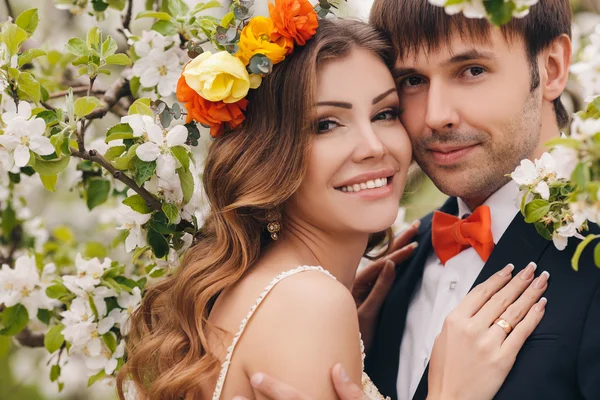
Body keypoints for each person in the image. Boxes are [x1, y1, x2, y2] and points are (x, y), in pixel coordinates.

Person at [116, 9, 548, 400]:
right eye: (326, 124)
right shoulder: (309, 303)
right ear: (269, 153)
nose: (373, 146)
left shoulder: (283, 294)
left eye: (385, 113)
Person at [245, 0, 600, 399]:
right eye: (412, 80)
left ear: (551, 67)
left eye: (472, 71)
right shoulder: (394, 274)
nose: (436, 116)